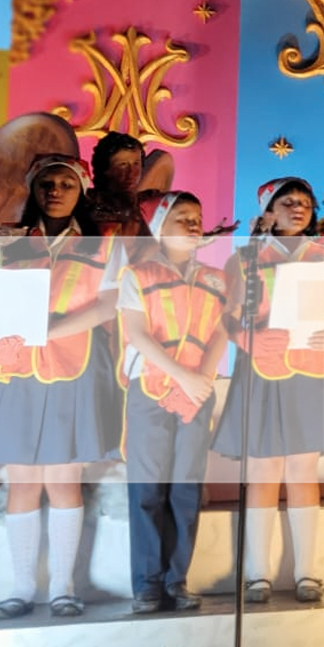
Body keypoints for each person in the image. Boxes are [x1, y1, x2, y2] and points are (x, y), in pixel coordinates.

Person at [212, 177, 324, 604]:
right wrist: (246, 339)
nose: (299, 209)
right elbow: (225, 316)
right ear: (268, 210)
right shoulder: (245, 260)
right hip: (263, 369)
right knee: (263, 471)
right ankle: (257, 574)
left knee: (301, 470)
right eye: (288, 202)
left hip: (310, 369)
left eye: (305, 203)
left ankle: (307, 573)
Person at [0, 154, 121, 620]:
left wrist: (48, 331)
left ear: (81, 190)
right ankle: (22, 588)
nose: (55, 190)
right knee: (22, 482)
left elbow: (108, 306)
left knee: (65, 481)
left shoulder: (102, 245)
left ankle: (64, 588)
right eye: (46, 182)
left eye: (66, 182)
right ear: (33, 188)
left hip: (75, 366)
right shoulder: (7, 242)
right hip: (17, 370)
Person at [118, 192, 228, 612]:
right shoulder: (138, 274)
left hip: (196, 392)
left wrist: (204, 377)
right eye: (182, 217)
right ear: (160, 227)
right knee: (147, 489)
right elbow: (138, 334)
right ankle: (147, 584)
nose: (193, 223)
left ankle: (177, 580)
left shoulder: (217, 279)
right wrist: (183, 375)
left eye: (197, 217)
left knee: (185, 489)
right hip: (151, 389)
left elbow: (221, 332)